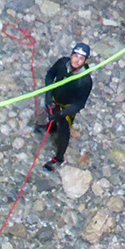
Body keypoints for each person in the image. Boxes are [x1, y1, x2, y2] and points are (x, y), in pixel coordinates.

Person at [40, 41, 93, 171]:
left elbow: (79, 104)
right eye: (75, 56)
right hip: (55, 98)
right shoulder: (63, 63)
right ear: (71, 55)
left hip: (67, 108)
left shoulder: (85, 80)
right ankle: (51, 127)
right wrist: (48, 97)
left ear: (85, 62)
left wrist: (62, 114)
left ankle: (59, 159)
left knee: (64, 130)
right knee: (51, 115)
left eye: (81, 58)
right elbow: (50, 75)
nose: (77, 60)